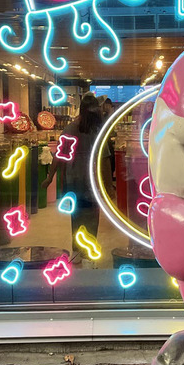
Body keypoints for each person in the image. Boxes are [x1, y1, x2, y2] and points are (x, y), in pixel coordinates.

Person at [43, 93, 112, 264]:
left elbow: (59, 156)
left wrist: (50, 177)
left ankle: (77, 252)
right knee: (92, 217)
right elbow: (105, 160)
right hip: (92, 182)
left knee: (76, 217)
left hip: (73, 180)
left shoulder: (70, 129)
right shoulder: (97, 132)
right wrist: (108, 187)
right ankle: (89, 252)